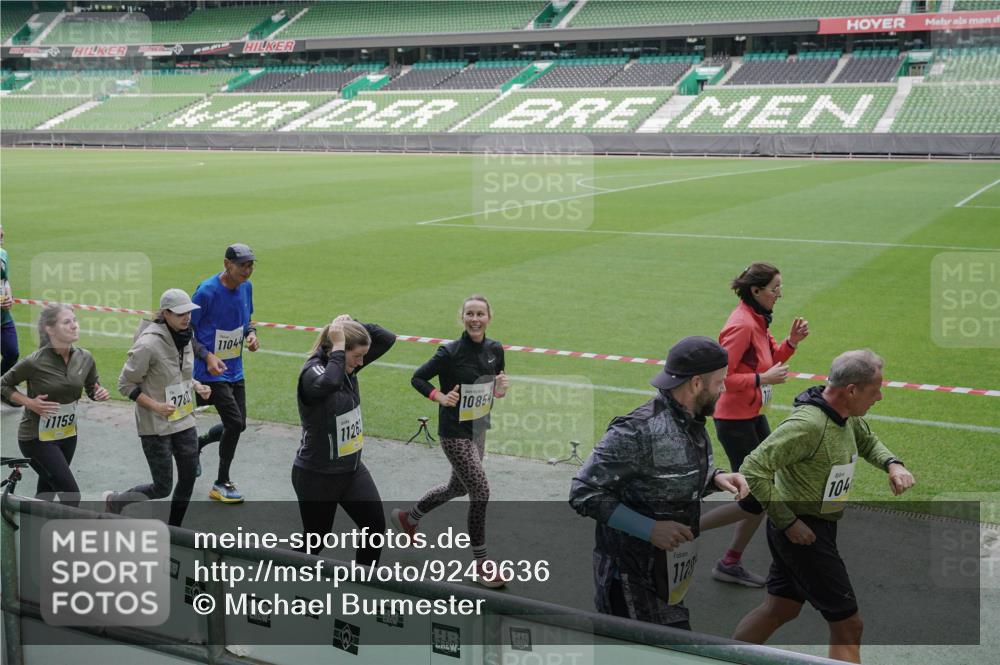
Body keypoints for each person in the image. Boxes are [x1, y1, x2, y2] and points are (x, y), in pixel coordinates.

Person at [733, 349, 915, 664]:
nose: (880, 397)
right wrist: (788, 522)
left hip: (815, 528)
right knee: (849, 624)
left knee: (781, 608)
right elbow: (753, 468)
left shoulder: (844, 415)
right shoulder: (808, 425)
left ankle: (723, 656)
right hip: (804, 534)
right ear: (852, 390)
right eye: (875, 390)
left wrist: (892, 464)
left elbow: (867, 441)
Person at [569, 336, 750, 629]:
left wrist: (715, 478)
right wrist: (650, 529)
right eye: (720, 382)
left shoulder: (692, 421)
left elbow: (665, 478)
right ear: (696, 383)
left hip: (668, 578)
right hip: (630, 584)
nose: (724, 389)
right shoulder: (636, 430)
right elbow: (583, 492)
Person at [702, 262, 809, 587]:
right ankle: (686, 528)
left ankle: (730, 561)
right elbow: (720, 379)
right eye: (775, 289)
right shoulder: (741, 325)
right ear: (756, 290)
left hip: (752, 415)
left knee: (762, 491)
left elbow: (770, 358)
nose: (779, 294)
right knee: (756, 496)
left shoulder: (758, 318)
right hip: (734, 421)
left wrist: (791, 343)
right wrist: (762, 379)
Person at [391, 295, 509, 588]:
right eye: (470, 314)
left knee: (457, 487)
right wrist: (440, 397)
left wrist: (499, 391)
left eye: (480, 314)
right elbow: (418, 378)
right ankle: (481, 563)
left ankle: (409, 518)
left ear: (489, 317)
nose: (475, 319)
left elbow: (494, 386)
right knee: (480, 491)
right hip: (454, 433)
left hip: (478, 429)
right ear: (462, 317)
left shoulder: (495, 349)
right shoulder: (449, 352)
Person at [293, 314, 395, 565]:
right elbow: (329, 382)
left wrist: (351, 322)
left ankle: (363, 583)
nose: (361, 363)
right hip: (317, 474)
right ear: (339, 349)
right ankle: (282, 577)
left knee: (374, 527)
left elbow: (387, 338)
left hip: (351, 469)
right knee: (315, 540)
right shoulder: (313, 371)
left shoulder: (347, 365)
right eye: (357, 356)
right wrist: (339, 344)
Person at [104, 289, 211, 527]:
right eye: (180, 313)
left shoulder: (186, 337)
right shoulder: (148, 345)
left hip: (183, 419)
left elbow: (178, 374)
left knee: (189, 477)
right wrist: (156, 406)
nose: (187, 317)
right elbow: (124, 384)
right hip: (156, 425)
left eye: (189, 312)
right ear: (166, 313)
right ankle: (116, 501)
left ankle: (174, 529)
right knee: (162, 487)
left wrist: (196, 385)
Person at [0, 304, 110, 505]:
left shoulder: (85, 358)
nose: (74, 325)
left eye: (75, 320)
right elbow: (3, 384)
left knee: (47, 492)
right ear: (50, 329)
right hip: (36, 438)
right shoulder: (35, 362)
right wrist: (29, 403)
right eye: (67, 322)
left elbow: (92, 388)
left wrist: (99, 393)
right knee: (71, 496)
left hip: (67, 435)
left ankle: (33, 524)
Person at [191, 243, 259, 504]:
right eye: (242, 265)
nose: (247, 270)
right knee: (233, 423)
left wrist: (251, 335)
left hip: (234, 369)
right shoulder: (206, 292)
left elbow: (248, 320)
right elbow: (186, 331)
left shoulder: (246, 287)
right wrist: (207, 356)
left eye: (250, 265)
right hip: (209, 371)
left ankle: (197, 444)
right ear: (226, 264)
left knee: (239, 424)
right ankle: (221, 482)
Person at [0, 224, 19, 377]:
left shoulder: (3, 254)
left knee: (12, 353)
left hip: (3, 318)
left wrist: (9, 297)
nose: (2, 233)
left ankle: (1, 383)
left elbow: (5, 281)